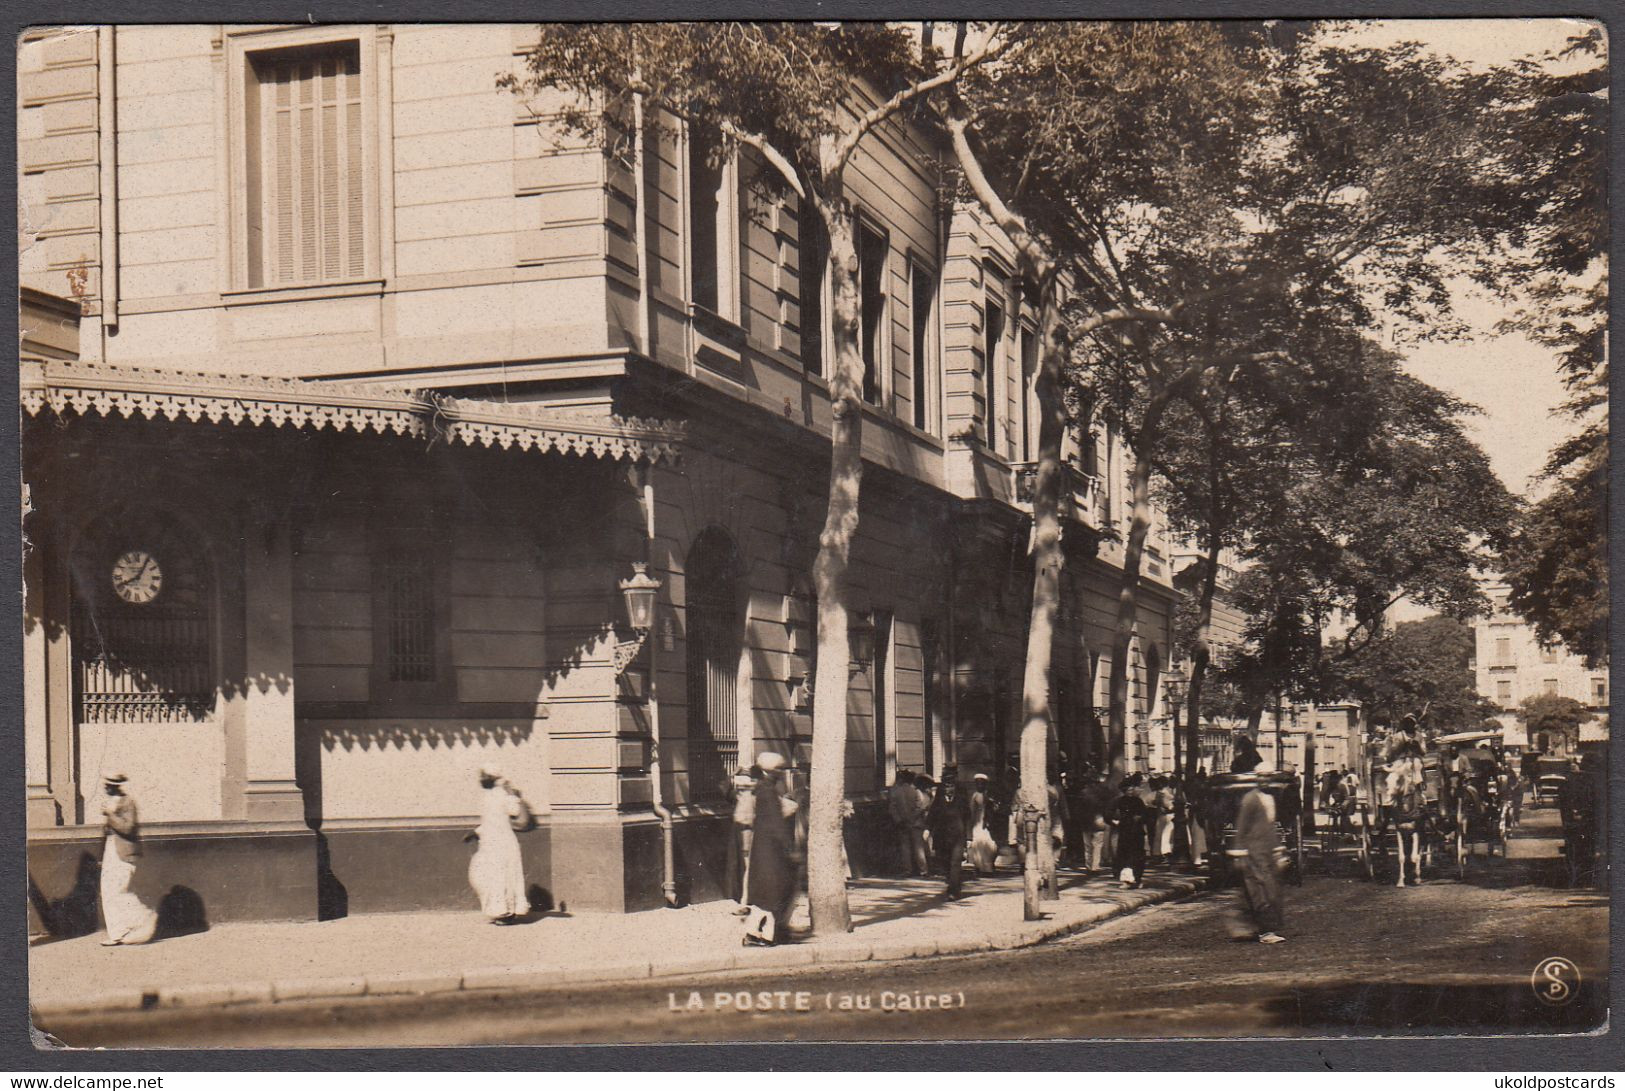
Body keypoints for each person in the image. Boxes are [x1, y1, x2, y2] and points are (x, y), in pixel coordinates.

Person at [744, 752, 798, 945]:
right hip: (771, 851)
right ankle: (766, 935)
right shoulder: (768, 792)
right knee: (773, 892)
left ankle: (756, 933)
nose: (782, 773)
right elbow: (776, 824)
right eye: (779, 769)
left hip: (763, 848)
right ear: (771, 771)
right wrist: (789, 848)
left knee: (765, 894)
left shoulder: (763, 789)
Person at [98, 773, 157, 946]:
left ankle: (144, 916)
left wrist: (110, 814)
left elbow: (128, 827)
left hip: (124, 852)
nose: (105, 787)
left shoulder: (128, 802)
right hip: (111, 851)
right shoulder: (110, 802)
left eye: (109, 784)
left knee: (119, 890)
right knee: (108, 892)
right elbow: (108, 832)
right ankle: (117, 933)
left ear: (116, 786)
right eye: (106, 784)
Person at [466, 766, 530, 924]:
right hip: (489, 842)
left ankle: (507, 913)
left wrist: (514, 796)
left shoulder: (502, 795)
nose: (480, 779)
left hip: (503, 843)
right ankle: (501, 911)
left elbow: (517, 816)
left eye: (484, 776)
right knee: (487, 875)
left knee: (503, 876)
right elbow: (491, 821)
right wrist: (476, 832)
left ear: (492, 777)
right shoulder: (488, 796)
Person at [1231, 767, 1287, 944]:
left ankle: (1253, 927)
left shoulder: (1270, 799)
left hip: (1267, 851)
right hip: (1253, 851)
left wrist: (1277, 850)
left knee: (1270, 889)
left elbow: (1270, 827)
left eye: (1268, 776)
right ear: (1257, 777)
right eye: (1261, 776)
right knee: (1261, 891)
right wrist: (1239, 853)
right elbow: (1241, 826)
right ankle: (1265, 931)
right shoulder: (1250, 799)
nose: (1264, 780)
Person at [927, 766, 974, 898]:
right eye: (947, 784)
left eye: (951, 784)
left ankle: (953, 891)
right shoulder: (940, 795)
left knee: (955, 862)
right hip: (942, 836)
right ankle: (954, 884)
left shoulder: (962, 795)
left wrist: (969, 837)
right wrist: (927, 828)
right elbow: (933, 812)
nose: (949, 788)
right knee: (944, 862)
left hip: (958, 836)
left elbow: (968, 816)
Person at [1110, 773, 1151, 887]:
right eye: (1128, 789)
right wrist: (1114, 821)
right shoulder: (1118, 801)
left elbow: (1145, 815)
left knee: (1137, 856)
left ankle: (1137, 879)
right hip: (1124, 832)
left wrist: (1140, 818)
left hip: (1137, 832)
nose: (1131, 791)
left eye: (1132, 789)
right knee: (1125, 856)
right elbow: (1108, 813)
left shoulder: (1138, 801)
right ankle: (1127, 880)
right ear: (1124, 790)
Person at [727, 767, 757, 914]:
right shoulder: (745, 795)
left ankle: (746, 903)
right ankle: (747, 901)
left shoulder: (748, 797)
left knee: (748, 869)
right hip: (746, 837)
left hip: (748, 837)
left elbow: (744, 819)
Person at [1075, 769, 1114, 875]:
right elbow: (1108, 805)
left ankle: (1089, 865)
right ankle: (1095, 866)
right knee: (1097, 844)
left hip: (1086, 821)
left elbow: (1078, 808)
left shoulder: (1083, 792)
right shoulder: (1103, 791)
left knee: (1088, 845)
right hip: (1098, 819)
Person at [888, 772, 928, 876]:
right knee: (918, 847)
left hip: (902, 823)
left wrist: (899, 820)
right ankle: (923, 870)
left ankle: (907, 870)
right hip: (915, 823)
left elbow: (893, 809)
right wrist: (912, 818)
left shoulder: (896, 792)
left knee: (905, 847)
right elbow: (920, 807)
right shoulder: (916, 792)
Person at [967, 773, 999, 874]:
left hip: (988, 822)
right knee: (978, 844)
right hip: (978, 821)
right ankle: (979, 866)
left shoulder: (989, 795)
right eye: (978, 784)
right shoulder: (975, 796)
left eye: (982, 783)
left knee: (989, 844)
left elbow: (993, 809)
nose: (980, 786)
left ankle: (988, 866)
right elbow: (972, 811)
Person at [1151, 775, 1177, 863]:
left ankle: (1159, 854)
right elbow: (1168, 806)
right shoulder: (1166, 793)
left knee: (1162, 835)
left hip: (1163, 815)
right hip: (1166, 815)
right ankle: (1164, 853)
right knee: (1165, 835)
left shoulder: (1161, 793)